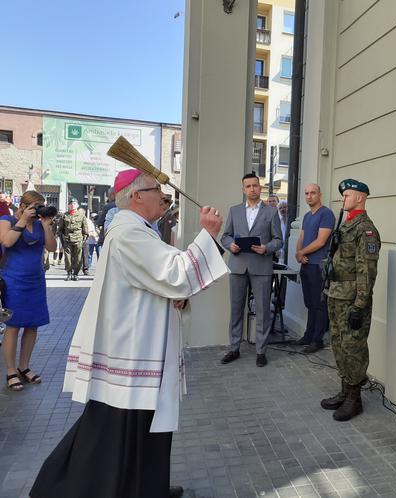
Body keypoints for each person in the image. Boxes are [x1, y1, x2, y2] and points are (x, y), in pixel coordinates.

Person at [30, 169, 228, 498]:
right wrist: (207, 235)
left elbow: (158, 282)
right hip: (131, 353)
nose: (164, 199)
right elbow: (175, 273)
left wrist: (177, 296)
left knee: (140, 432)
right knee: (114, 438)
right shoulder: (128, 233)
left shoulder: (139, 230)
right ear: (136, 196)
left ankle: (148, 487)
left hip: (139, 346)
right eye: (158, 192)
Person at [321, 179, 380, 421]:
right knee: (338, 342)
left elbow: (367, 270)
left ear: (360, 198)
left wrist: (359, 305)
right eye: (343, 195)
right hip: (336, 293)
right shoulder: (345, 226)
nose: (343, 199)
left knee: (353, 346)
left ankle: (355, 398)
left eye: (347, 195)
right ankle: (345, 390)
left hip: (352, 299)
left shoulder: (365, 229)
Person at [220, 172, 282, 367]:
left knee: (263, 310)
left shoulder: (271, 212)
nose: (252, 189)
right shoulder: (235, 210)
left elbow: (279, 240)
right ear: (243, 189)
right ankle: (234, 348)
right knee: (236, 309)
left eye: (255, 185)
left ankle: (261, 351)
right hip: (238, 265)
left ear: (260, 187)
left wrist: (266, 248)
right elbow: (225, 236)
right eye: (248, 186)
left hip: (261, 266)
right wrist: (230, 245)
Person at [0, 191, 56, 391]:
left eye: (41, 206)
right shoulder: (6, 219)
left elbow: (52, 247)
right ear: (23, 205)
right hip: (13, 280)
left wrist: (47, 226)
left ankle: (24, 366)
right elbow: (6, 242)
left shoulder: (41, 224)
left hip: (36, 280)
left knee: (32, 325)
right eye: (35, 206)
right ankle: (10, 370)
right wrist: (22, 220)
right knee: (13, 326)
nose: (38, 210)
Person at [294, 184, 336, 353]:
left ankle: (317, 340)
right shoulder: (306, 216)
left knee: (319, 304)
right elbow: (301, 237)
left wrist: (302, 252)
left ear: (320, 194)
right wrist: (298, 253)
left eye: (313, 193)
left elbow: (321, 241)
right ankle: (308, 335)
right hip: (306, 264)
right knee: (310, 303)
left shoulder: (326, 214)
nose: (309, 196)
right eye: (306, 193)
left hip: (318, 265)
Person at [62, 199, 87, 281]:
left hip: (78, 238)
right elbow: (61, 228)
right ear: (68, 205)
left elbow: (85, 228)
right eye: (71, 204)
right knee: (67, 257)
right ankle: (69, 273)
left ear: (77, 205)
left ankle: (75, 274)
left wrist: (84, 237)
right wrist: (62, 237)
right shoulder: (65, 215)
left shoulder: (81, 215)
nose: (72, 205)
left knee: (78, 257)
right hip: (67, 238)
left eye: (74, 203)